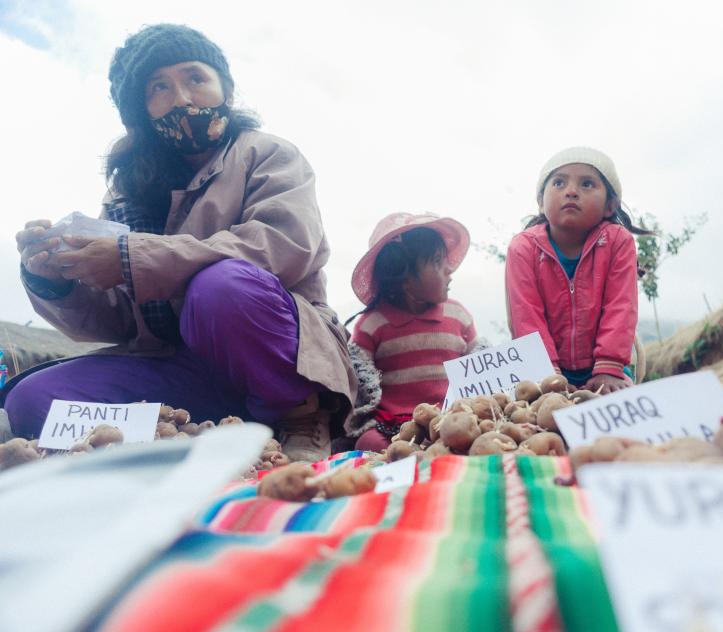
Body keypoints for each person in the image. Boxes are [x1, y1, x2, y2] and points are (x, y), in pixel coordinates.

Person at [5, 24, 355, 461]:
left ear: (223, 87)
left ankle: (299, 417)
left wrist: (135, 259)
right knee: (36, 401)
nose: (183, 97)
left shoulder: (266, 153)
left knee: (220, 287)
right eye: (159, 87)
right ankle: (192, 437)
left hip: (273, 354)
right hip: (177, 369)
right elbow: (113, 322)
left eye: (195, 78)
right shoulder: (126, 195)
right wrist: (56, 280)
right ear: (141, 109)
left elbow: (284, 244)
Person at [505, 147, 649, 395]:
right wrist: (548, 376)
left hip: (608, 368)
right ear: (540, 202)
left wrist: (609, 367)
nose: (571, 191)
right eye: (559, 182)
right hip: (547, 369)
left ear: (610, 205)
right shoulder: (522, 248)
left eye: (587, 184)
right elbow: (526, 317)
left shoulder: (618, 242)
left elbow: (621, 306)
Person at [346, 213, 484, 452]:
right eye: (438, 261)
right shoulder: (372, 324)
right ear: (405, 279)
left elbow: (481, 363)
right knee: (367, 442)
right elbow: (356, 377)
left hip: (450, 416)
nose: (449, 269)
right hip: (396, 423)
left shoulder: (458, 315)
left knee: (474, 435)